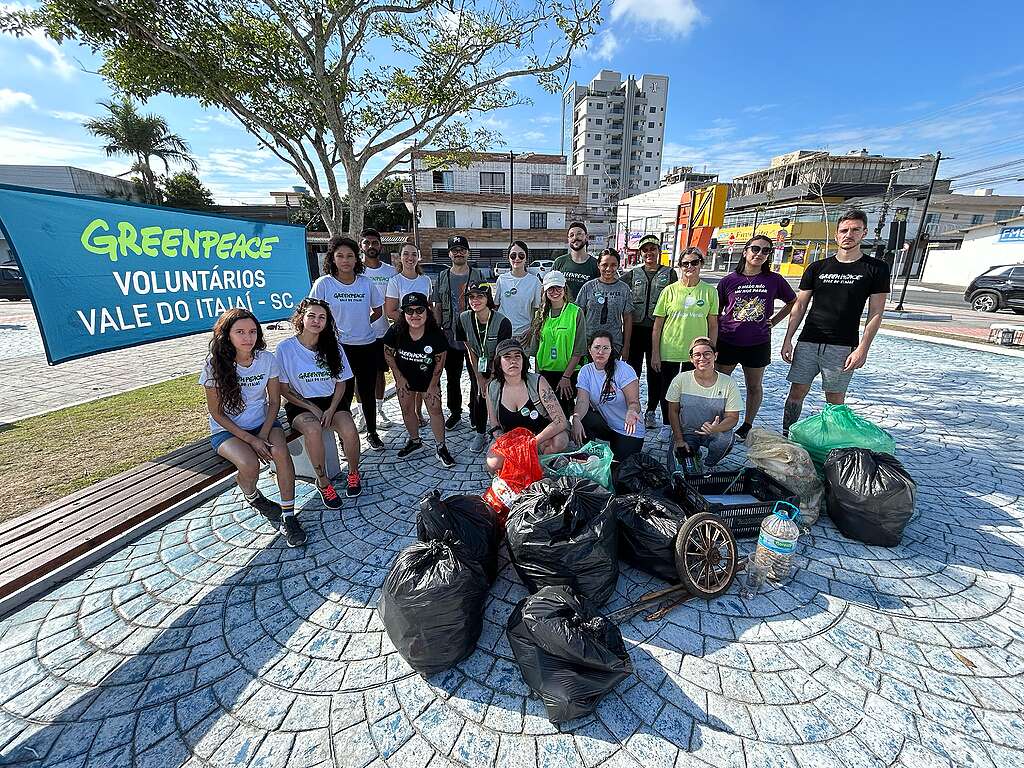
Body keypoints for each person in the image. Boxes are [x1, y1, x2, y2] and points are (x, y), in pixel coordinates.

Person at [200, 309, 306, 547]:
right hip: (227, 430)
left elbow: (275, 401)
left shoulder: (266, 359)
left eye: (252, 331)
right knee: (249, 464)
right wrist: (252, 440)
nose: (248, 337)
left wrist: (264, 433)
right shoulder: (213, 365)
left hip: (264, 423)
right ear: (226, 335)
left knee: (280, 453)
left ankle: (289, 515)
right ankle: (253, 496)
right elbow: (216, 413)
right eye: (240, 332)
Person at [780, 209, 890, 435]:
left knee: (835, 398)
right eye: (844, 230)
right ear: (837, 234)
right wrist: (788, 338)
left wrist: (863, 349)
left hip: (842, 345)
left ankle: (831, 442)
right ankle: (787, 434)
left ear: (864, 232)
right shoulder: (818, 267)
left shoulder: (875, 269)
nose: (849, 234)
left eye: (855, 230)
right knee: (796, 392)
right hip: (809, 341)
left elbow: (876, 312)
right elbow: (800, 305)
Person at [276, 298, 363, 503]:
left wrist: (332, 409)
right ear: (301, 318)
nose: (316, 321)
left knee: (349, 430)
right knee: (313, 430)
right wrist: (312, 408)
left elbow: (342, 383)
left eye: (322, 317)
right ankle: (323, 482)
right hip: (301, 404)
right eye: (311, 316)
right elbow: (284, 389)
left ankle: (353, 472)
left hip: (332, 400)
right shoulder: (285, 348)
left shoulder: (334, 347)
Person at [716, 235, 798, 441]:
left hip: (758, 342)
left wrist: (775, 320)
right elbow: (716, 311)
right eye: (755, 249)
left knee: (754, 386)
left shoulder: (774, 280)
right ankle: (719, 420)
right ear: (745, 251)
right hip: (728, 340)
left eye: (765, 250)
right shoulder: (728, 281)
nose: (759, 254)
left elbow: (792, 302)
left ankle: (747, 424)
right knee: (720, 385)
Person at [309, 234, 386, 450]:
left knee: (367, 392)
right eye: (340, 256)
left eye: (350, 256)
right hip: (338, 348)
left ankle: (372, 432)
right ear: (332, 258)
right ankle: (344, 439)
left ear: (356, 259)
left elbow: (378, 310)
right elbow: (313, 313)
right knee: (341, 396)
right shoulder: (323, 284)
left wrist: (363, 322)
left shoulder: (365, 282)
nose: (345, 260)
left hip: (367, 346)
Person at [652, 246, 719, 441]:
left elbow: (713, 324)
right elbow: (657, 325)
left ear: (701, 264)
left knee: (693, 392)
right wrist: (655, 353)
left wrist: (711, 351)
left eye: (694, 262)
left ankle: (687, 425)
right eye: (685, 263)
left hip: (697, 354)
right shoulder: (669, 291)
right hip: (670, 349)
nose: (690, 267)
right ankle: (667, 424)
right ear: (680, 266)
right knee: (668, 390)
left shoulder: (709, 292)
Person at [383, 292, 457, 468]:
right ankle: (415, 441)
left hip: (428, 379)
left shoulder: (435, 334)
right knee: (407, 410)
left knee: (435, 411)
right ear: (404, 313)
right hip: (405, 379)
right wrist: (398, 378)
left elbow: (440, 361)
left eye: (419, 310)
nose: (414, 315)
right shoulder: (396, 330)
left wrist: (432, 385)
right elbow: (387, 351)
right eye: (409, 310)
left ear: (427, 311)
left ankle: (441, 447)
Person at [484, 339, 569, 474]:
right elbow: (494, 425)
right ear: (499, 363)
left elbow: (560, 420)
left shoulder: (538, 381)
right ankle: (522, 465)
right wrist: (510, 447)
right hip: (511, 439)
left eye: (517, 356)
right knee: (493, 464)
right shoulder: (492, 388)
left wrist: (532, 443)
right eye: (507, 357)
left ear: (524, 360)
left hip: (540, 437)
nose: (513, 361)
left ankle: (541, 465)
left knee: (560, 441)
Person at [665, 337, 742, 472]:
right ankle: (693, 454)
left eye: (707, 353)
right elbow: (673, 411)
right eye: (697, 355)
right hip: (687, 432)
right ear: (691, 359)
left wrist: (715, 428)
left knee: (725, 440)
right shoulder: (680, 380)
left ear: (715, 356)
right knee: (675, 470)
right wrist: (678, 439)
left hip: (715, 432)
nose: (702, 358)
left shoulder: (729, 383)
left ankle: (709, 464)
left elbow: (733, 417)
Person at [624, 234, 676, 430]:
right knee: (632, 372)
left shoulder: (669, 273)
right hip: (636, 330)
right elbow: (616, 286)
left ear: (658, 250)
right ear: (640, 253)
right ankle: (632, 407)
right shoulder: (633, 274)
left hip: (659, 331)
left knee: (656, 373)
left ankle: (652, 410)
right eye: (645, 250)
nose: (649, 253)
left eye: (652, 249)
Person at [434, 235, 486, 430]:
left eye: (462, 249)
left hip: (473, 334)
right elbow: (437, 304)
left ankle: (475, 411)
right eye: (455, 249)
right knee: (452, 377)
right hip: (450, 335)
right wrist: (437, 330)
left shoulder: (477, 275)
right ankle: (455, 412)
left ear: (468, 252)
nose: (458, 252)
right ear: (449, 253)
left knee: (475, 375)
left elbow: (486, 302)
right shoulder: (442, 276)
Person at [456, 282, 513, 452]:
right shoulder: (463, 318)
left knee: (497, 395)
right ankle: (480, 433)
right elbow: (469, 349)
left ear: (488, 298)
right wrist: (480, 378)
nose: (475, 300)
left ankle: (498, 432)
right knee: (479, 395)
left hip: (498, 364)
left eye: (480, 296)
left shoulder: (503, 322)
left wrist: (491, 377)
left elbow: (501, 354)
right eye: (472, 297)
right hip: (477, 364)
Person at [571, 332, 645, 461]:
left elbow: (634, 402)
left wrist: (631, 411)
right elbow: (582, 401)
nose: (601, 351)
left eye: (606, 348)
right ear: (590, 349)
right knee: (584, 417)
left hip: (628, 427)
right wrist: (575, 419)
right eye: (597, 347)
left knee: (618, 469)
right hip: (606, 425)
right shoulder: (585, 371)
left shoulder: (623, 369)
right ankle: (588, 451)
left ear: (611, 350)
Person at [529, 270, 586, 416]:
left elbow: (579, 350)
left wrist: (566, 377)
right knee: (548, 414)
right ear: (545, 291)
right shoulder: (540, 314)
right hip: (545, 373)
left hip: (568, 372)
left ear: (564, 288)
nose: (555, 292)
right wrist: (537, 379)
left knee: (565, 414)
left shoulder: (576, 312)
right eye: (550, 288)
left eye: (558, 288)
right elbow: (536, 351)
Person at [359, 227, 398, 432]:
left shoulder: (390, 271)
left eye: (374, 242)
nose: (371, 246)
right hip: (357, 334)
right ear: (361, 246)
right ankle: (362, 415)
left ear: (380, 245)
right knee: (360, 377)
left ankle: (379, 409)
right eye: (367, 243)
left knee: (379, 373)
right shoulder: (356, 272)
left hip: (382, 331)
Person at [575, 248, 634, 356]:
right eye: (604, 264)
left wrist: (626, 346)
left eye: (613, 265)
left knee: (610, 372)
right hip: (589, 343)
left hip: (614, 344)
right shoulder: (588, 287)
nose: (609, 268)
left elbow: (627, 318)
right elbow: (578, 317)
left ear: (618, 265)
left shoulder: (623, 288)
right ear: (598, 265)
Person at [494, 240, 542, 342]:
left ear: (526, 258)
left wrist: (532, 330)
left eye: (521, 255)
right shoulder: (502, 279)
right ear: (508, 258)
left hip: (525, 335)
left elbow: (537, 310)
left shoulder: (534, 282)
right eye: (513, 255)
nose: (517, 259)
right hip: (503, 332)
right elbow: (495, 306)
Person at [552, 221, 599, 301]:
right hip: (564, 312)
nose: (575, 238)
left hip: (586, 312)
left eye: (579, 234)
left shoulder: (596, 264)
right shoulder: (559, 262)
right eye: (571, 235)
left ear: (586, 237)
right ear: (568, 239)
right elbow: (550, 287)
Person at [384, 242, 433, 320]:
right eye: (406, 254)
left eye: (414, 254)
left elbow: (429, 305)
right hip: (404, 329)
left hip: (424, 329)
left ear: (418, 257)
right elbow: (390, 312)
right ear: (400, 257)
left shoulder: (426, 280)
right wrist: (412, 322)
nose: (410, 258)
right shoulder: (395, 281)